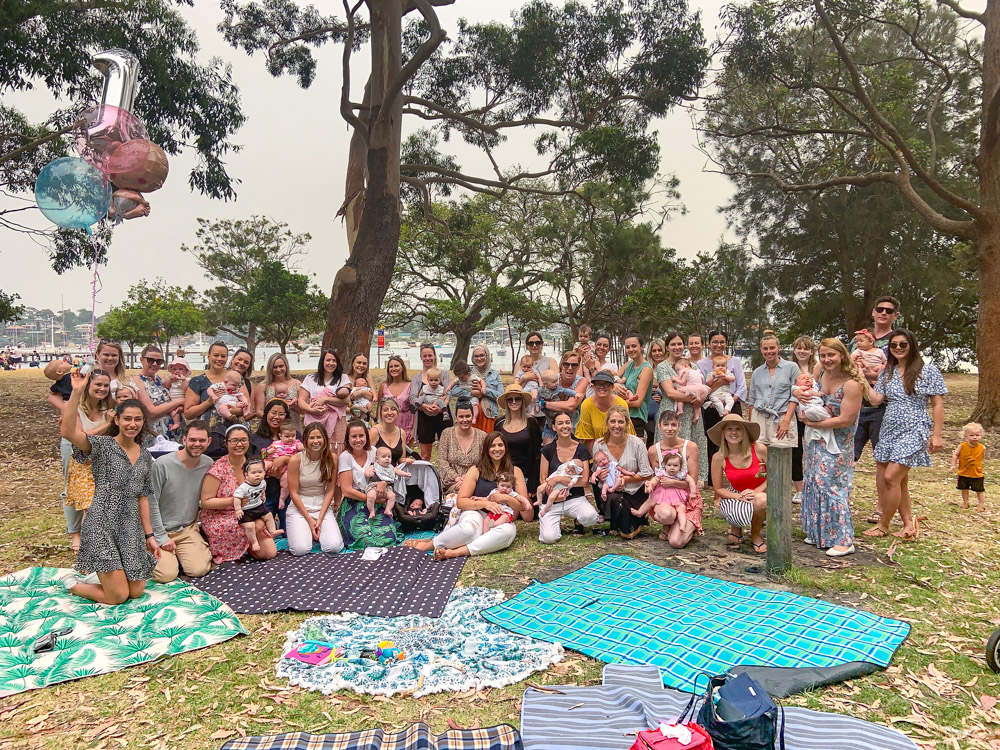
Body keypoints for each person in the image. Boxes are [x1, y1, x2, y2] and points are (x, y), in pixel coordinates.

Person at [59, 372, 160, 604]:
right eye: (127, 419)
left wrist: (150, 536)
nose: (132, 424)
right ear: (117, 420)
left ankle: (106, 575)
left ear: (143, 422)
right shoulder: (102, 445)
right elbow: (68, 432)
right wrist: (76, 392)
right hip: (101, 525)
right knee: (118, 596)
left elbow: (143, 497)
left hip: (130, 528)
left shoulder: (145, 456)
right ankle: (74, 584)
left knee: (136, 592)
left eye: (137, 419)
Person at [863, 329, 946, 540]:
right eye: (893, 345)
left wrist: (936, 435)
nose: (898, 348)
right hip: (889, 428)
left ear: (912, 346)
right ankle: (909, 523)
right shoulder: (887, 372)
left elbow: (937, 403)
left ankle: (883, 525)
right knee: (899, 481)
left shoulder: (927, 371)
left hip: (914, 428)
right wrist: (860, 378)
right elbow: (875, 400)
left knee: (891, 477)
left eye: (903, 344)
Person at [404, 432, 533, 559]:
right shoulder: (476, 470)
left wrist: (506, 498)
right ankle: (429, 545)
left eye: (500, 445)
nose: (497, 449)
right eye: (493, 446)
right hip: (477, 512)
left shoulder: (515, 471)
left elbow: (523, 507)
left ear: (506, 448)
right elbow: (461, 501)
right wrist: (485, 504)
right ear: (486, 449)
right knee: (469, 530)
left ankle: (456, 552)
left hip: (501, 518)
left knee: (508, 533)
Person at [800, 339, 865, 556]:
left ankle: (844, 539)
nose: (827, 360)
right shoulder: (820, 374)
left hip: (838, 444)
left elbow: (846, 420)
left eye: (832, 355)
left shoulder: (852, 384)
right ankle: (819, 532)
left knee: (832, 486)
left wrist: (811, 423)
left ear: (842, 355)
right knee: (813, 482)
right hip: (815, 441)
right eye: (823, 355)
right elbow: (805, 390)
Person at [200, 424, 279, 563]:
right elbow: (206, 501)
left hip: (250, 512)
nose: (239, 444)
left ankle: (248, 543)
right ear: (226, 443)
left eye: (243, 440)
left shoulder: (253, 465)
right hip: (222, 516)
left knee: (270, 553)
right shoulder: (218, 468)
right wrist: (234, 501)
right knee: (256, 526)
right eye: (234, 440)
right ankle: (238, 544)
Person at [147, 420, 214, 582]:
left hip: (187, 529)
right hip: (160, 530)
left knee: (199, 569)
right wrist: (161, 537)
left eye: (202, 440)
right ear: (184, 440)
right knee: (166, 575)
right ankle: (151, 552)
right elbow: (151, 503)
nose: (197, 444)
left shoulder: (208, 464)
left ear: (208, 442)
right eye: (192, 440)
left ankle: (181, 556)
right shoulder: (162, 465)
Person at [589, 405, 653, 539]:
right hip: (610, 492)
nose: (616, 426)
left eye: (620, 422)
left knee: (627, 533)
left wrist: (626, 479)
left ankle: (639, 518)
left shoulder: (637, 443)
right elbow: (595, 471)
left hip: (633, 491)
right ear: (607, 423)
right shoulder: (599, 444)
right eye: (612, 421)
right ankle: (612, 517)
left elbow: (647, 473)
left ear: (627, 424)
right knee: (616, 509)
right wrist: (600, 476)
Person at [338, 420, 404, 549]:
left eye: (361, 436)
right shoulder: (345, 457)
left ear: (366, 437)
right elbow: (346, 490)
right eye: (354, 436)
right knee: (365, 540)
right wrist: (371, 499)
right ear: (348, 438)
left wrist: (384, 482)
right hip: (355, 501)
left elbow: (387, 469)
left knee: (387, 538)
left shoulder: (373, 451)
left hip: (377, 500)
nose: (358, 440)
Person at [709, 413, 769, 554]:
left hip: (763, 489)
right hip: (736, 492)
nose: (734, 433)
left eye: (738, 429)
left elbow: (774, 476)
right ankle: (736, 526)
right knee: (738, 512)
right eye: (729, 429)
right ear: (723, 433)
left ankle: (755, 535)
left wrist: (756, 491)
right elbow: (718, 489)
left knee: (761, 501)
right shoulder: (718, 457)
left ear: (744, 432)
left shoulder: (759, 449)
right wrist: (738, 497)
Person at [654, 333, 709, 484]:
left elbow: (702, 389)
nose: (677, 347)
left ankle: (693, 478)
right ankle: (668, 476)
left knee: (693, 443)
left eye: (679, 344)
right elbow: (670, 392)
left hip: (691, 412)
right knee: (671, 442)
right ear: (667, 347)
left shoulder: (692, 365)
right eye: (673, 344)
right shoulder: (663, 366)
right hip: (671, 412)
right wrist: (695, 398)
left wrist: (700, 399)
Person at [853, 296, 901, 465]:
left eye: (889, 311)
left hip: (884, 407)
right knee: (848, 457)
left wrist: (870, 375)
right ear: (873, 312)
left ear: (895, 315)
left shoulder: (898, 341)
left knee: (884, 461)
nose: (883, 313)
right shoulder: (859, 338)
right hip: (856, 405)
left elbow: (896, 371)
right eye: (880, 309)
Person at [536, 412, 596, 543]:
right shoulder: (547, 450)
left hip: (574, 497)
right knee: (548, 538)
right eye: (560, 423)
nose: (565, 426)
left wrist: (559, 479)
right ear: (554, 427)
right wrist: (553, 494)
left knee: (591, 517)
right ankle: (552, 520)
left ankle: (577, 520)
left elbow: (584, 481)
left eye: (567, 422)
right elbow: (543, 479)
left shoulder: (581, 449)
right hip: (552, 498)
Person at [64, 369, 115, 521]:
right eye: (98, 384)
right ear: (87, 386)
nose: (103, 389)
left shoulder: (108, 407)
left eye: (106, 385)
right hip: (83, 464)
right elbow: (79, 436)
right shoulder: (74, 409)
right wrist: (106, 424)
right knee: (91, 508)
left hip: (103, 463)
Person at [699, 330, 748, 486]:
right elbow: (702, 389)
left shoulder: (735, 362)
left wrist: (731, 402)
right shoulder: (701, 364)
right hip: (712, 406)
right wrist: (719, 385)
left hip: (732, 404)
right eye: (715, 341)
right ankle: (714, 479)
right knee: (713, 442)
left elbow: (741, 386)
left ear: (726, 343)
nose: (718, 345)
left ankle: (739, 477)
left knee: (737, 440)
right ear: (709, 344)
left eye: (721, 342)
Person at [286, 423, 344, 554]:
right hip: (300, 506)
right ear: (305, 439)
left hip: (321, 505)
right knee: (300, 549)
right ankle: (306, 528)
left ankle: (316, 531)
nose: (316, 441)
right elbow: (293, 493)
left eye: (319, 437)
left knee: (333, 547)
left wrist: (320, 518)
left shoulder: (332, 458)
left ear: (325, 439)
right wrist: (309, 519)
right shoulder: (296, 460)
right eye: (312, 438)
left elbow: (330, 490)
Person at [648, 410, 702, 547]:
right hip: (665, 498)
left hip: (687, 499)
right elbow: (656, 478)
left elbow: (693, 482)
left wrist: (672, 482)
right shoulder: (654, 450)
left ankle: (688, 526)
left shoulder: (690, 447)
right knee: (666, 514)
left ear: (679, 426)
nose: (669, 428)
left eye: (673, 424)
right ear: (659, 426)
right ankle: (670, 523)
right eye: (666, 424)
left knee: (676, 542)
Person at [185, 341, 239, 458]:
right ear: (208, 356)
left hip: (231, 434)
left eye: (223, 356)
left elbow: (245, 406)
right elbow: (188, 413)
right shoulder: (198, 381)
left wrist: (233, 410)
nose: (219, 359)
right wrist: (209, 402)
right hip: (205, 436)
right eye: (216, 355)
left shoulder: (235, 378)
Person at [747, 332, 799, 451]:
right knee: (760, 456)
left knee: (781, 455)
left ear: (778, 348)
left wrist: (786, 421)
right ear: (761, 350)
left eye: (772, 348)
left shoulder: (791, 367)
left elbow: (795, 396)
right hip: (759, 418)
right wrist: (751, 427)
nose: (769, 351)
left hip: (781, 417)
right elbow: (752, 401)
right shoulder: (757, 372)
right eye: (765, 348)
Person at [250, 398, 295, 529]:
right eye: (273, 412)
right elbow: (250, 464)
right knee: (265, 531)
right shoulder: (255, 439)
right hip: (264, 493)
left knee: (290, 532)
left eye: (281, 414)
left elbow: (304, 459)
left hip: (289, 492)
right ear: (266, 414)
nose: (277, 417)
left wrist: (285, 459)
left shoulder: (294, 436)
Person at [299, 349, 351, 453]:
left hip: (337, 420)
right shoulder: (310, 378)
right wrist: (311, 410)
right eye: (328, 360)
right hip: (315, 418)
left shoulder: (343, 378)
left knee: (336, 448)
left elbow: (346, 400)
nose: (331, 363)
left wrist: (325, 399)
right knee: (316, 446)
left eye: (334, 361)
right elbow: (301, 400)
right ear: (322, 362)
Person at [495, 384, 543, 494]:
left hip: (527, 474)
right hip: (504, 475)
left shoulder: (531, 422)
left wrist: (533, 484)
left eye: (517, 399)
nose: (514, 402)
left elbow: (537, 455)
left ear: (522, 401)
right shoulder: (499, 423)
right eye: (510, 399)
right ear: (506, 402)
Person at [132, 344, 186, 441]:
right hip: (155, 434)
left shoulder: (162, 378)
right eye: (150, 360)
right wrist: (179, 401)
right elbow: (151, 412)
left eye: (159, 361)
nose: (155, 364)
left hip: (176, 431)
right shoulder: (137, 381)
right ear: (141, 360)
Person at [437, 400, 488, 495]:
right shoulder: (447, 434)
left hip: (476, 482)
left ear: (473, 416)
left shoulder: (482, 436)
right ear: (456, 418)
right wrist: (457, 478)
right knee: (461, 492)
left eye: (468, 416)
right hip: (452, 483)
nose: (465, 420)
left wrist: (468, 479)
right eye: (461, 416)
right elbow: (442, 462)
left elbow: (485, 463)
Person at [410, 344, 453, 460]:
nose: (428, 358)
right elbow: (413, 397)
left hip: (443, 416)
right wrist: (424, 406)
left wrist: (441, 405)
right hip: (425, 418)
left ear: (434, 356)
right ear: (421, 357)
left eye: (430, 355)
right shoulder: (416, 378)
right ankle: (427, 477)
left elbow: (448, 393)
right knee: (425, 455)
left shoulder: (443, 374)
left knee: (448, 453)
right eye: (425, 356)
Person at [633, 451, 696, 528]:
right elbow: (655, 480)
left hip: (676, 495)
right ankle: (640, 512)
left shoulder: (681, 474)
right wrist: (650, 485)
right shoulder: (662, 473)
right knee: (650, 501)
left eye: (675, 465)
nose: (672, 468)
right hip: (662, 493)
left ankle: (682, 525)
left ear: (680, 466)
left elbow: (691, 481)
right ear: (665, 465)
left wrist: (693, 492)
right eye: (669, 465)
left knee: (681, 509)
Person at [576, 370, 635, 450]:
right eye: (598, 384)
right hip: (595, 452)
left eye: (606, 384)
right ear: (593, 386)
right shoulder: (586, 405)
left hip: (620, 449)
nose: (602, 387)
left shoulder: (621, 404)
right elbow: (588, 437)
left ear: (612, 387)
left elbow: (626, 434)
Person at [789, 336, 817, 503]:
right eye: (798, 348)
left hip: (814, 415)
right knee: (796, 451)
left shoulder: (818, 368)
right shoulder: (790, 368)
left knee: (813, 449)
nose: (802, 351)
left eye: (805, 348)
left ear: (811, 351)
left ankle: (814, 486)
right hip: (794, 414)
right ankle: (799, 489)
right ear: (794, 350)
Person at [234, 459, 282, 552]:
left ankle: (272, 531)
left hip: (258, 506)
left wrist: (263, 495)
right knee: (250, 526)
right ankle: (254, 542)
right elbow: (236, 498)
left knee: (269, 515)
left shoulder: (263, 482)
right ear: (246, 474)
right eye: (253, 472)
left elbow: (262, 490)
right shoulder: (244, 487)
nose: (257, 475)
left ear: (264, 472)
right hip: (246, 510)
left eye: (260, 472)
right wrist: (238, 509)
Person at [793, 373, 841, 454]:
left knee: (819, 411)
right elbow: (809, 393)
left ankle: (826, 417)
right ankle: (827, 418)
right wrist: (818, 394)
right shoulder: (800, 389)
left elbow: (815, 385)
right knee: (811, 412)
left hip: (818, 407)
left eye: (809, 378)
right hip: (808, 409)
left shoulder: (815, 387)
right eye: (803, 378)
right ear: (797, 383)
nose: (807, 379)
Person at [253, 353, 303, 429]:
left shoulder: (297, 384)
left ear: (286, 366)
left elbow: (302, 411)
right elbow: (259, 411)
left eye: (281, 366)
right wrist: (274, 419)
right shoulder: (263, 386)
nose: (278, 369)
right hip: (270, 428)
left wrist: (293, 405)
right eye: (275, 367)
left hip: (292, 429)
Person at [543, 350, 589, 432]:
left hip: (574, 428)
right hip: (553, 425)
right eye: (566, 364)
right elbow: (540, 393)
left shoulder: (582, 381)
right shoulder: (553, 378)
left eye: (574, 365)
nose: (570, 368)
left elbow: (570, 406)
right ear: (561, 365)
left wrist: (544, 404)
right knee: (548, 444)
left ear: (578, 367)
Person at [618, 334, 654, 436]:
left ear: (642, 346)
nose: (630, 349)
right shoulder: (629, 364)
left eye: (634, 346)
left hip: (635, 418)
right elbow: (614, 377)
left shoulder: (646, 369)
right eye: (627, 347)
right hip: (622, 415)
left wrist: (615, 402)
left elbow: (637, 402)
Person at [263, 421, 303, 510]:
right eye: (287, 436)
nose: (290, 438)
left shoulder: (296, 443)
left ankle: (282, 498)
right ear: (280, 436)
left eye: (293, 436)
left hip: (287, 467)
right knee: (263, 465)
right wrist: (267, 452)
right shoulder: (275, 443)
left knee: (287, 481)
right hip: (272, 462)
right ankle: (260, 484)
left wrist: (304, 447)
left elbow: (302, 448)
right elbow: (263, 453)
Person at [364, 445, 411, 519]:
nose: (387, 459)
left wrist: (406, 474)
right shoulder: (374, 466)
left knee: (392, 496)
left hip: (387, 487)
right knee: (371, 496)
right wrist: (369, 473)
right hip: (373, 486)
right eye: (384, 457)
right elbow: (366, 473)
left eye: (389, 457)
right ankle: (371, 511)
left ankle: (388, 509)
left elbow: (398, 471)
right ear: (377, 459)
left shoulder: (390, 467)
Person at [368, 397, 414, 465]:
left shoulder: (401, 433)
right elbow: (367, 457)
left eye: (393, 409)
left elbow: (401, 458)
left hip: (396, 472)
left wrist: (406, 460)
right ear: (381, 414)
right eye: (385, 410)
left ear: (398, 413)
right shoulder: (374, 432)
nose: (389, 413)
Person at [536, 369, 578, 443]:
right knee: (549, 425)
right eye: (553, 382)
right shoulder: (540, 390)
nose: (556, 383)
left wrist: (575, 394)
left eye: (557, 381)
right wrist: (537, 406)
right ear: (545, 384)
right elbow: (537, 399)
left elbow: (565, 391)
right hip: (548, 414)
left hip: (558, 411)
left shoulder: (557, 389)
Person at [952, 422, 986, 511]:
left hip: (977, 474)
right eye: (972, 435)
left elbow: (982, 457)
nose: (975, 437)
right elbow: (955, 455)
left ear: (981, 436)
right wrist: (953, 465)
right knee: (964, 489)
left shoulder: (982, 448)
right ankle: (965, 502)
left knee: (980, 490)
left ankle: (981, 505)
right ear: (965, 436)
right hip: (963, 473)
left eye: (977, 435)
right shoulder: (962, 446)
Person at [380, 356, 414, 444]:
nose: (393, 369)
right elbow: (379, 409)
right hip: (388, 424)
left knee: (405, 454)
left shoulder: (411, 385)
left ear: (402, 368)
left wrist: (414, 429)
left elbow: (415, 409)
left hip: (407, 424)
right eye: (391, 367)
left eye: (396, 366)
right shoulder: (384, 386)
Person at [469, 345, 502, 432]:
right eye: (476, 356)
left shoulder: (495, 374)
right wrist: (473, 392)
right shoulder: (467, 373)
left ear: (487, 356)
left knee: (488, 443)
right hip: (470, 415)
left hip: (489, 415)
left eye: (482, 355)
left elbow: (501, 396)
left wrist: (484, 390)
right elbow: (455, 390)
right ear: (473, 358)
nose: (479, 358)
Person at [670, 358, 709, 422]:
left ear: (685, 366)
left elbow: (682, 382)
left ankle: (680, 409)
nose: (677, 372)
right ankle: (697, 416)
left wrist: (675, 379)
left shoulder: (685, 371)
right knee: (696, 404)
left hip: (691, 388)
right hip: (700, 388)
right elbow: (702, 380)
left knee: (679, 395)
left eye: (678, 369)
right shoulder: (697, 371)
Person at [645, 339, 667, 446]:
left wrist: (662, 397)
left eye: (660, 350)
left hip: (662, 407)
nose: (657, 353)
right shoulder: (646, 368)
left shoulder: (669, 368)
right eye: (654, 351)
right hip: (647, 406)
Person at [162, 357, 192, 433]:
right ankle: (176, 422)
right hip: (172, 400)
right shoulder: (171, 379)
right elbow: (165, 386)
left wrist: (183, 381)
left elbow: (186, 390)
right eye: (174, 369)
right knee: (172, 410)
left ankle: (177, 423)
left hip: (182, 398)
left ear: (186, 371)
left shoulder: (187, 380)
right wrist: (170, 380)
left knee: (175, 411)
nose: (177, 371)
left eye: (181, 369)